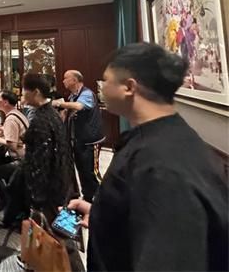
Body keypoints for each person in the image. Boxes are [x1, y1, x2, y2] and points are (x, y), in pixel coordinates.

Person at [67, 43, 228, 271]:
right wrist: (104, 215)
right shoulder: (165, 137)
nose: (101, 87)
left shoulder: (164, 168)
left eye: (106, 81)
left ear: (129, 87)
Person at [6, 75, 73, 225]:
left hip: (47, 187)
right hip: (59, 180)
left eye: (24, 91)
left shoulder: (40, 119)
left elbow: (40, 161)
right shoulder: (51, 113)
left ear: (35, 92)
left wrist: (36, 198)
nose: (22, 95)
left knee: (45, 230)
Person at [52, 69, 103, 202]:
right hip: (78, 140)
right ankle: (88, 198)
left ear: (74, 80)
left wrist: (58, 103)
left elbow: (79, 106)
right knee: (82, 169)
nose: (63, 81)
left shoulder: (86, 94)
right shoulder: (72, 96)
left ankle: (102, 197)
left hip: (90, 141)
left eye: (66, 78)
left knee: (91, 171)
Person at [0, 90, 29, 208]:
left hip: (22, 159)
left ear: (5, 102)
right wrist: (1, 129)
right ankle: (13, 193)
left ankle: (7, 203)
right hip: (29, 155)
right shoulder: (17, 113)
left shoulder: (10, 119)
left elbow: (12, 145)